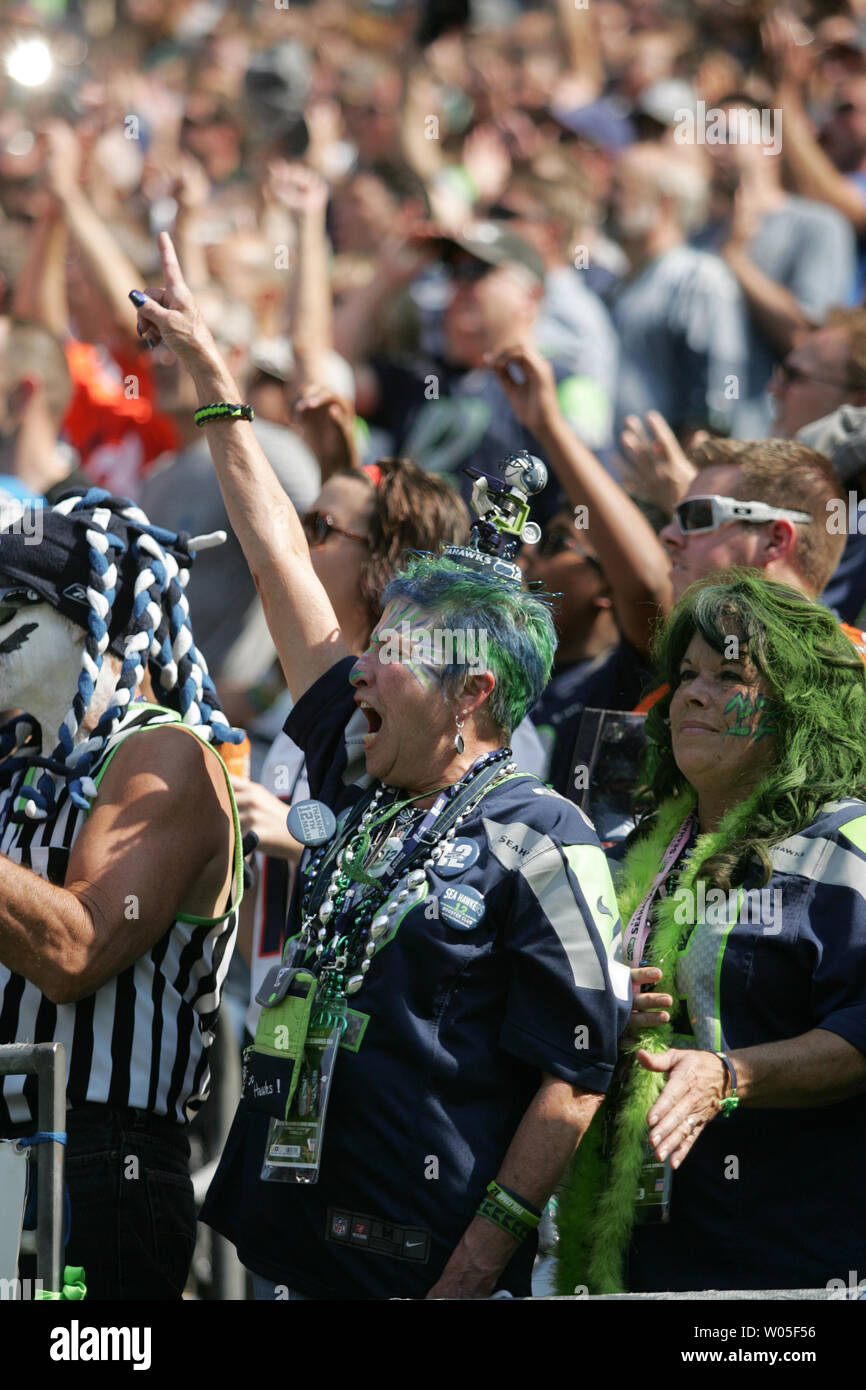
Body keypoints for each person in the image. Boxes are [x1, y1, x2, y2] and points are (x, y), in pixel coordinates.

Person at [130, 232, 631, 1300]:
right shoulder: (360, 775)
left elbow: (575, 1076)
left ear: (471, 693)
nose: (359, 670)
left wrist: (472, 1270)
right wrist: (216, 378)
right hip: (292, 1252)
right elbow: (276, 559)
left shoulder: (542, 834)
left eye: (392, 654)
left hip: (425, 1272)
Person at [556, 571, 866, 1293]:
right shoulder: (636, 850)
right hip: (638, 1262)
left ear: (798, 706)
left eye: (730, 676)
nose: (692, 693)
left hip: (788, 1270)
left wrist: (729, 1076)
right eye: (686, 674)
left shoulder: (845, 844)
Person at [0, 488, 242, 1299]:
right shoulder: (16, 771)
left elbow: (77, 951)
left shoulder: (162, 754)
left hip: (100, 1159)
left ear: (80, 622)